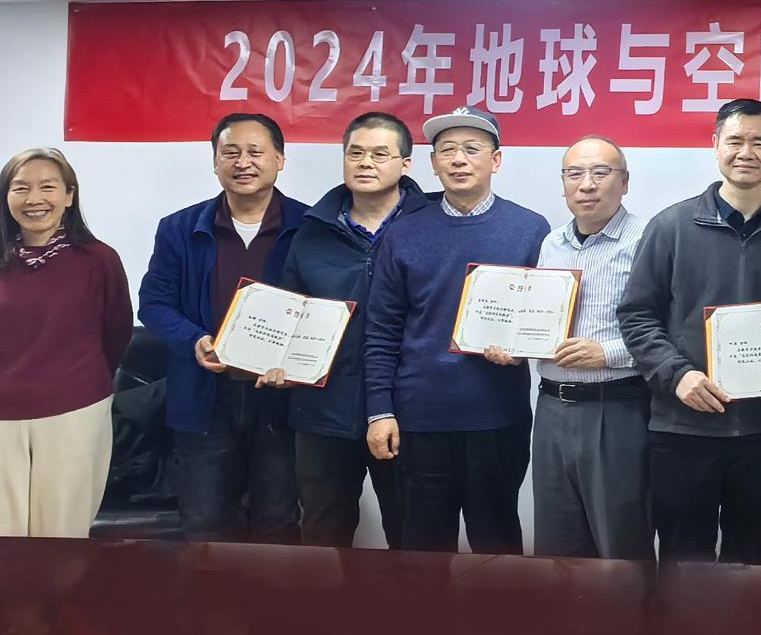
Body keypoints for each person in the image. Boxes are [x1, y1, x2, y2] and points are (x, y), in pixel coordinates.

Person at [619, 99, 761, 565]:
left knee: (754, 564)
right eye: (735, 141)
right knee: (683, 563)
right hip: (683, 427)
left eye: (760, 142)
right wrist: (678, 375)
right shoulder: (671, 226)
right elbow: (636, 315)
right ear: (715, 146)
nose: (746, 152)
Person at [363, 107, 550, 554]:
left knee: (497, 547)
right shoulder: (403, 233)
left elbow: (543, 317)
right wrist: (379, 411)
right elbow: (382, 330)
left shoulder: (530, 229)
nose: (459, 159)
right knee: (422, 551)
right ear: (433, 163)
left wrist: (523, 348)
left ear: (496, 160)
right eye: (447, 150)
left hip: (496, 415)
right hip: (420, 418)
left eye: (472, 149)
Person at [137, 113, 307, 542]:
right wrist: (193, 339)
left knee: (278, 523)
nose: (242, 162)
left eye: (255, 152)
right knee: (205, 523)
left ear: (280, 159)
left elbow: (327, 307)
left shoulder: (310, 227)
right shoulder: (179, 228)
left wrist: (301, 361)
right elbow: (154, 304)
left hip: (282, 398)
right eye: (230, 152)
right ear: (215, 162)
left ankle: (273, 591)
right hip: (204, 396)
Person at [271, 112, 430, 548]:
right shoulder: (312, 231)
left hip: (408, 410)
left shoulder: (432, 226)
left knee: (413, 536)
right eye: (355, 153)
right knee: (323, 535)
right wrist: (275, 359)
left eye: (380, 154)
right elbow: (290, 310)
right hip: (322, 410)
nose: (365, 162)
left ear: (406, 164)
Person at [523, 137, 651, 560]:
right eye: (574, 174)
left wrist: (608, 353)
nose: (587, 184)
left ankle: (630, 608)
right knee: (556, 545)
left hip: (617, 409)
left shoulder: (649, 240)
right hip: (552, 410)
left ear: (625, 182)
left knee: (620, 546)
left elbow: (669, 330)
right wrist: (512, 343)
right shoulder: (551, 243)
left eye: (601, 173)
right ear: (563, 183)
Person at [0, 148, 131, 536]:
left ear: (69, 195)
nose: (34, 199)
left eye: (47, 187)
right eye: (20, 188)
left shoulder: (100, 259)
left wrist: (81, 380)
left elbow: (116, 332)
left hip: (75, 411)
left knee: (61, 537)